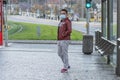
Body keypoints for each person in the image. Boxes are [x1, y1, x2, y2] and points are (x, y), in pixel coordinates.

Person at [57, 9, 72, 73]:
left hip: (65, 40)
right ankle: (67, 64)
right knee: (59, 53)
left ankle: (65, 67)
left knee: (64, 53)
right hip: (59, 39)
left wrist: (63, 34)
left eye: (64, 13)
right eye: (61, 13)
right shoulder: (61, 21)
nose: (62, 15)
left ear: (66, 14)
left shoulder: (67, 21)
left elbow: (69, 30)